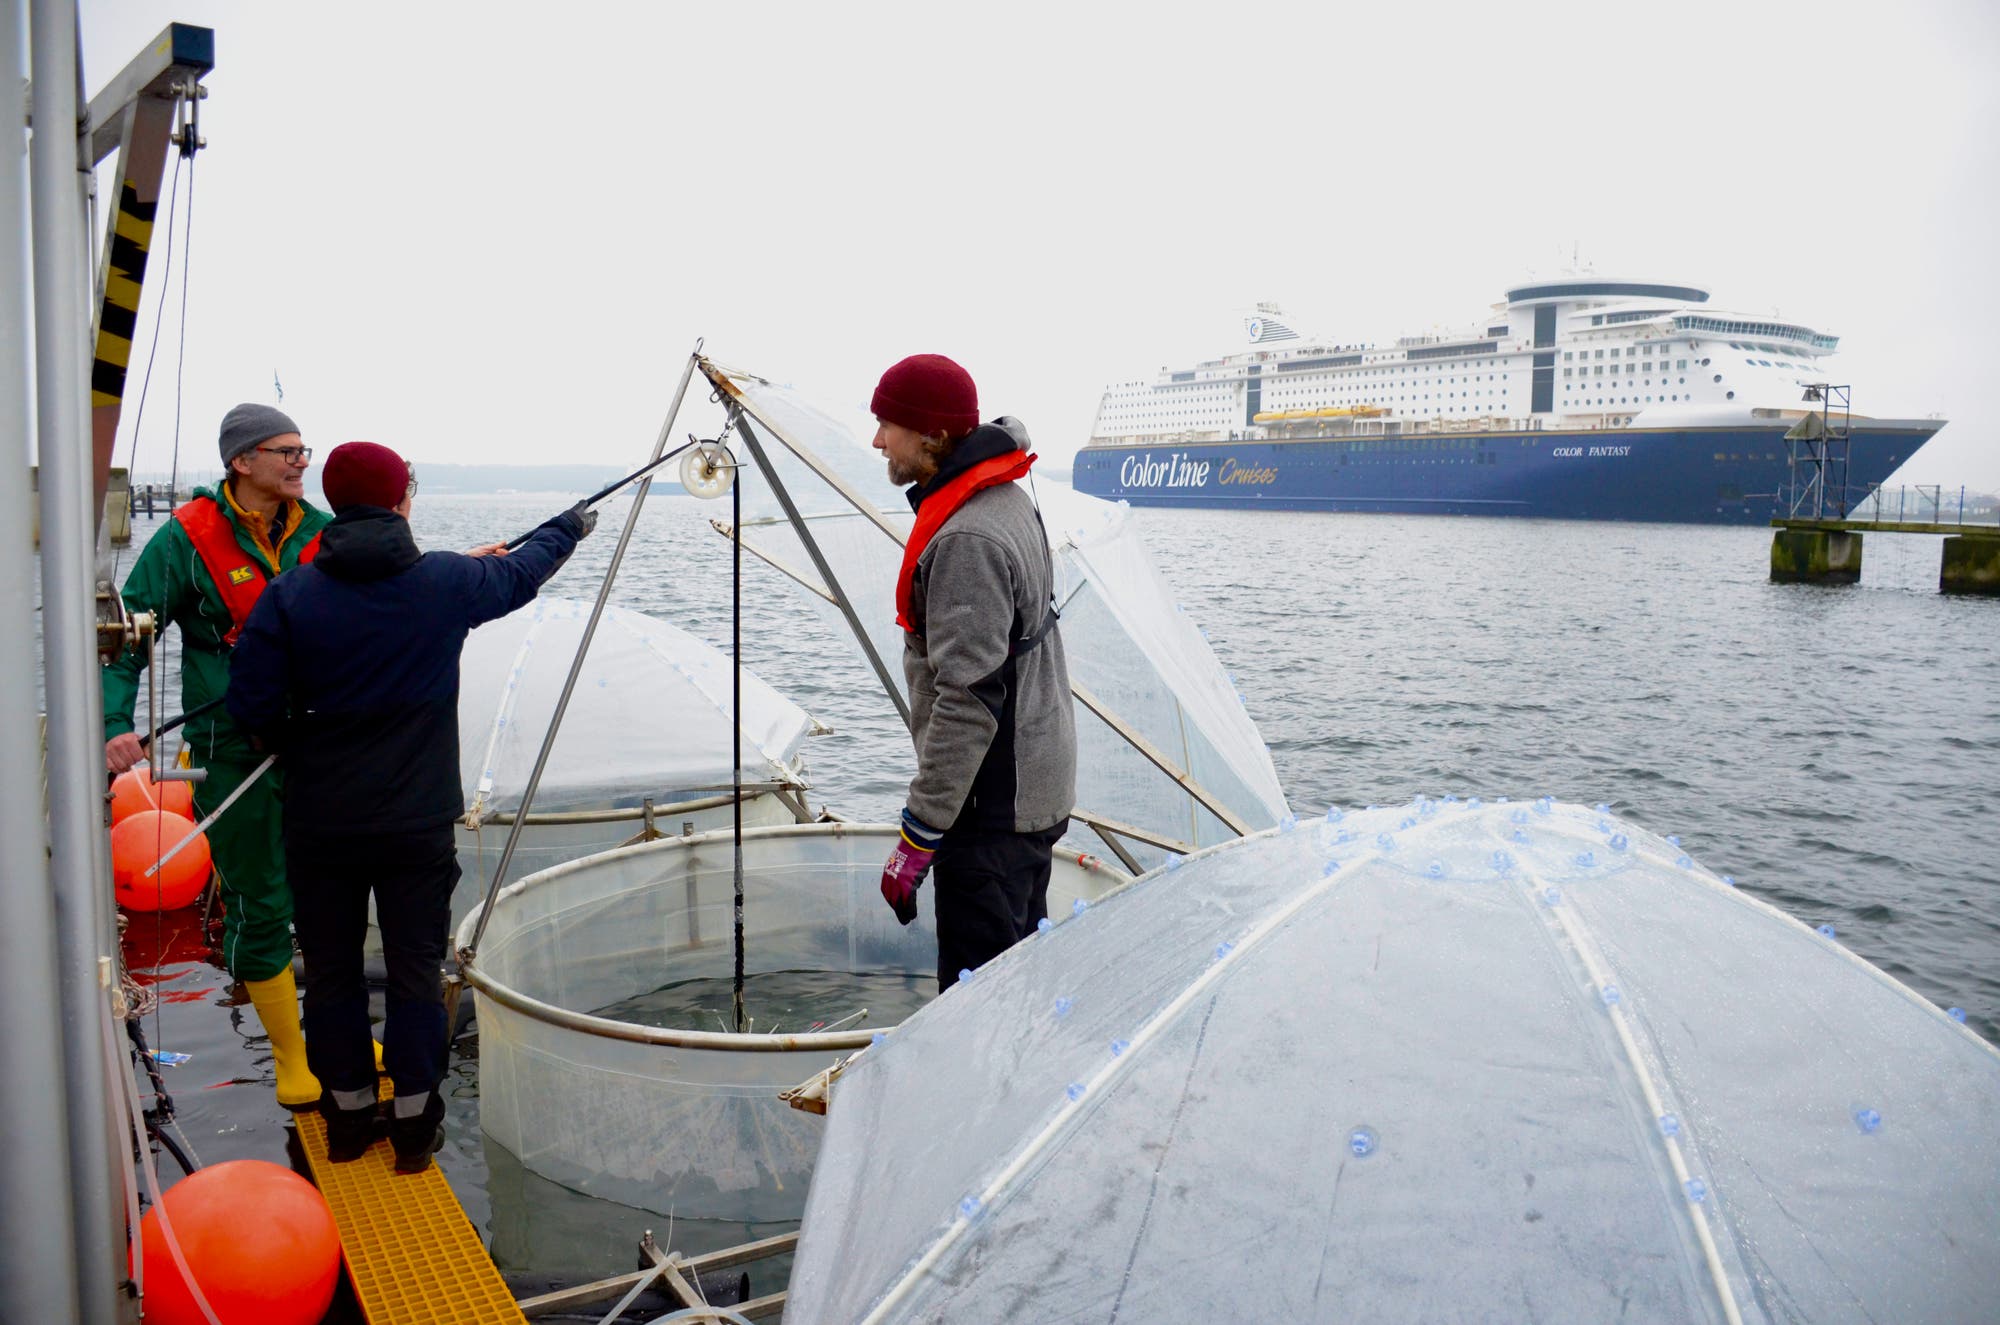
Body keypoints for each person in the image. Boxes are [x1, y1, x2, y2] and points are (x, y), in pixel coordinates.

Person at [226, 441, 592, 1171]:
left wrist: (302, 735)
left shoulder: (292, 595)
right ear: (401, 500)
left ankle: (352, 1117)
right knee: (415, 969)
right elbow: (520, 572)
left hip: (321, 823)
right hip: (416, 825)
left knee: (329, 970)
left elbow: (252, 707)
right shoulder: (446, 583)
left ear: (332, 503)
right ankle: (417, 1127)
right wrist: (568, 526)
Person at [102, 402, 331, 1111]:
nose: (301, 460)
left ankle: (331, 1035)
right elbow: (125, 636)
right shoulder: (183, 541)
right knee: (260, 897)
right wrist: (115, 721)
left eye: (303, 449)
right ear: (242, 461)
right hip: (233, 749)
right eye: (285, 450)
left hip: (322, 744)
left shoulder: (323, 532)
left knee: (331, 891)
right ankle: (291, 1058)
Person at [871, 354, 1077, 991]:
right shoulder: (1006, 498)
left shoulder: (968, 538)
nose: (878, 440)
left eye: (889, 425)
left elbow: (969, 698)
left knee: (978, 1008)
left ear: (933, 436)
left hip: (991, 809)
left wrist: (920, 832)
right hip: (1030, 792)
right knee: (1017, 986)